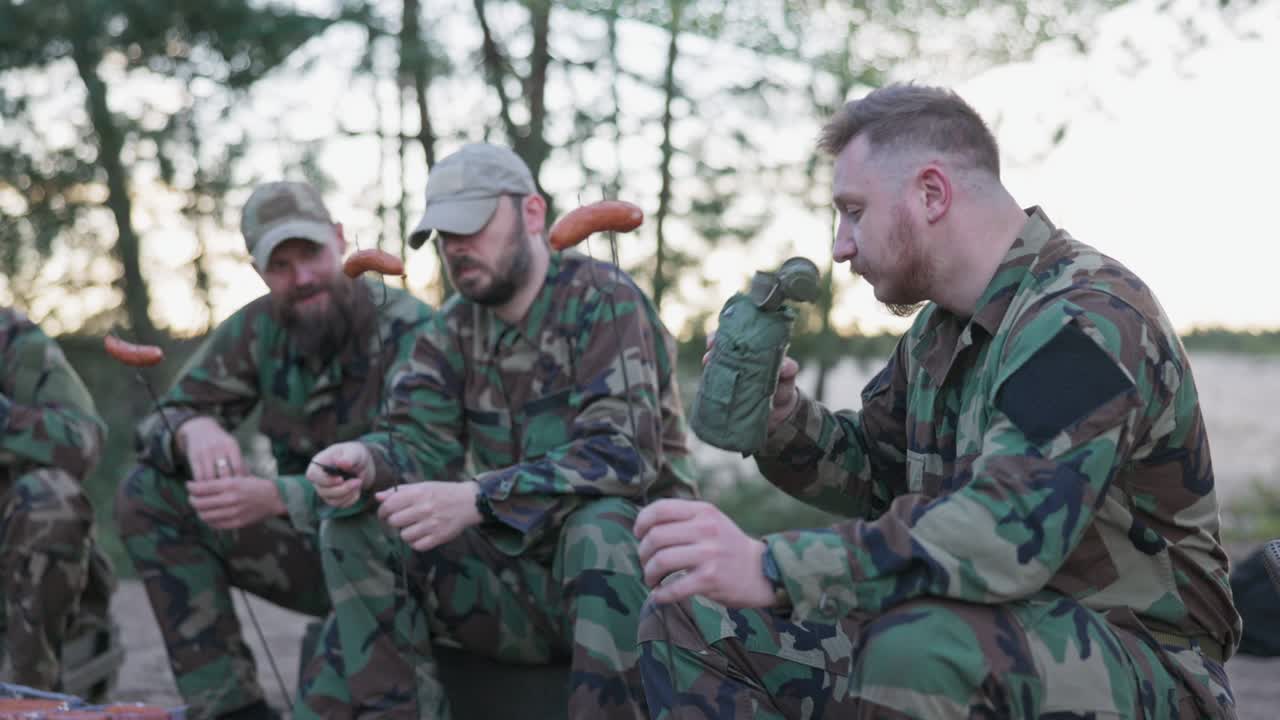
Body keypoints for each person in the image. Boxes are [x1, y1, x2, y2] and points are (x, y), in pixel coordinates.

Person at [634, 83, 1241, 719]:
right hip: (976, 629)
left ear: (931, 194)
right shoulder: (939, 331)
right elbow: (876, 470)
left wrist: (774, 566)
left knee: (920, 648)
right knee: (692, 620)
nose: (840, 245)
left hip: (1145, 666)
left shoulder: (1087, 319)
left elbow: (998, 529)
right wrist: (785, 422)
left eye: (854, 211)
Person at [304, 142, 698, 720]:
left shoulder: (604, 302)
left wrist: (479, 498)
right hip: (519, 592)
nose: (457, 248)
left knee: (602, 526)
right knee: (356, 524)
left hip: (640, 589)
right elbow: (415, 441)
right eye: (443, 235)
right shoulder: (451, 332)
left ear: (531, 214)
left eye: (472, 226)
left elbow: (624, 457)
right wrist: (363, 460)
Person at [115, 181, 431, 720]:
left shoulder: (411, 327)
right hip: (308, 552)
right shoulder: (257, 329)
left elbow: (427, 459)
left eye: (310, 253)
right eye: (281, 265)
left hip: (402, 557)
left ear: (339, 240)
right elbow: (160, 421)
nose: (301, 277)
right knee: (146, 493)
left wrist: (280, 496)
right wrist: (192, 429)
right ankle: (228, 706)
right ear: (260, 271)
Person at [0, 307, 112, 690]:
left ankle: (30, 694)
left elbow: (81, 442)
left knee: (52, 497)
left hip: (13, 586)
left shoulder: (13, 340)